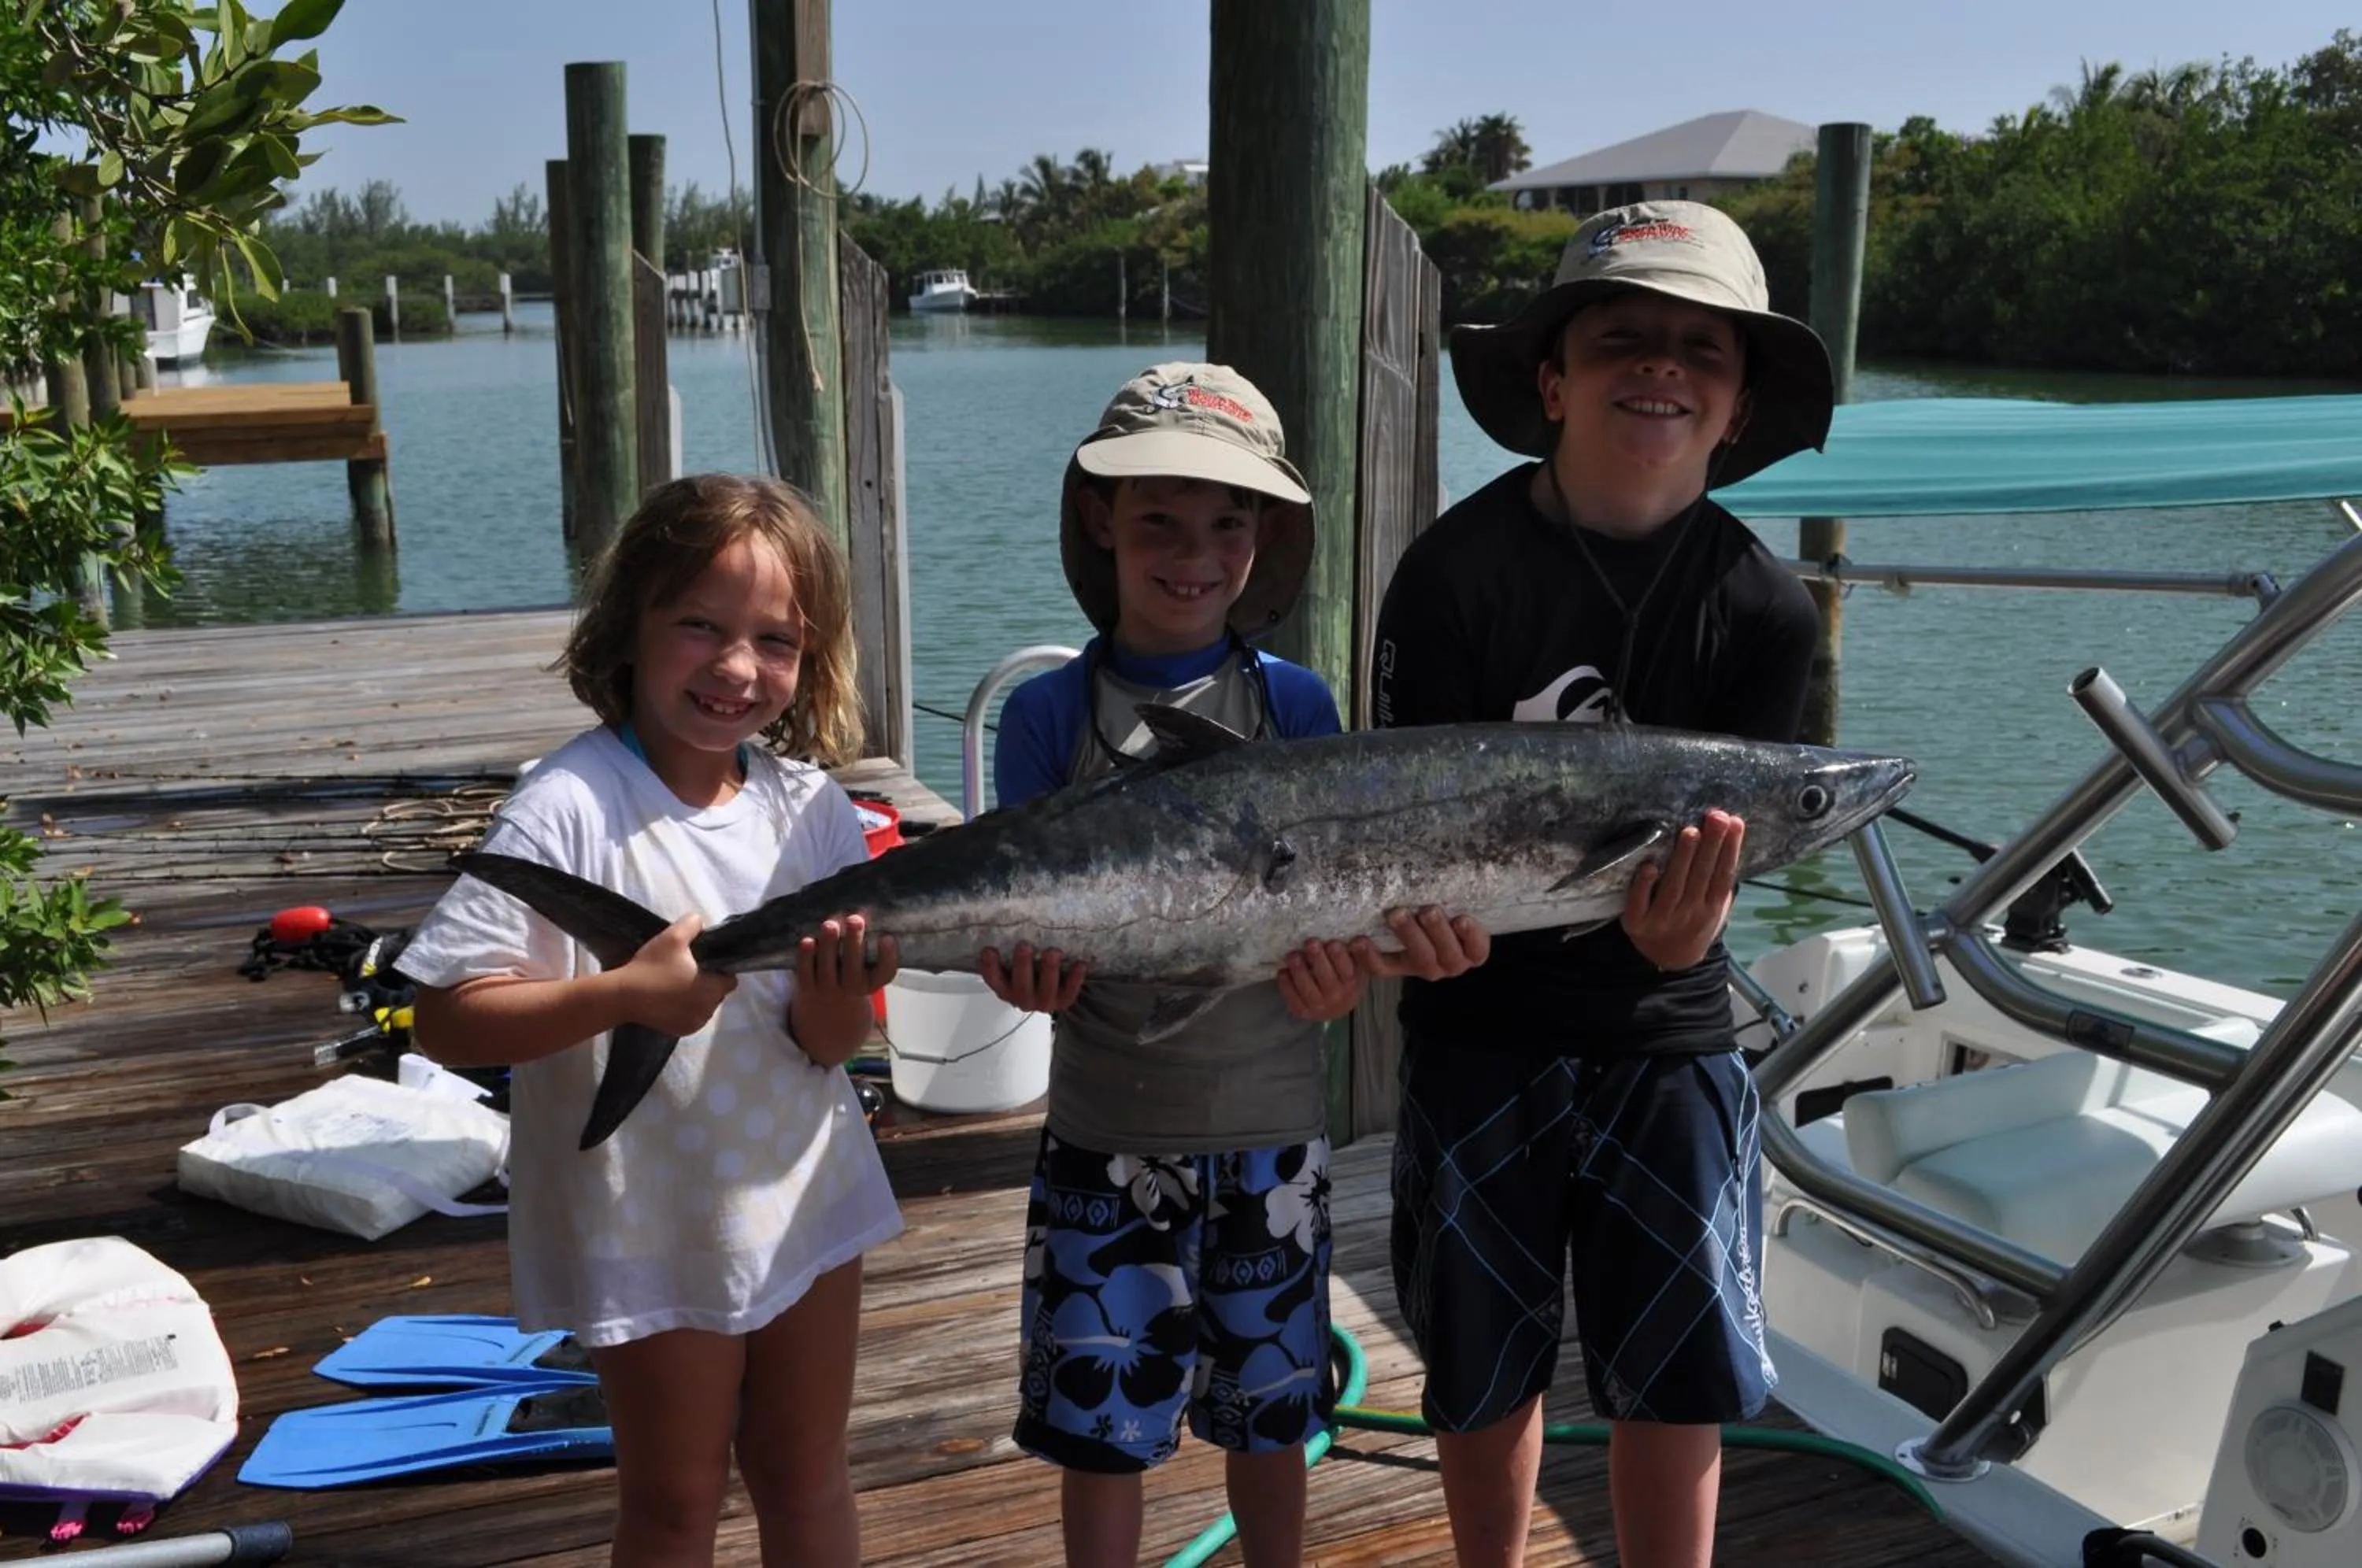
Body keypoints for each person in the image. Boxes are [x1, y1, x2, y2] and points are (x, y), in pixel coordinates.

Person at [1372, 201, 1836, 1568]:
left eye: (1704, 348)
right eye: (1624, 335)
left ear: (1742, 405)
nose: (1663, 367)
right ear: (1551, 378)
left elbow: (1753, 835)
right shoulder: (1451, 574)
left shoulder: (1765, 608)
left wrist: (1694, 930)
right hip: (1479, 1024)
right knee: (1479, 1357)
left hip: (1666, 1028)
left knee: (1674, 1374)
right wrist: (1407, 939)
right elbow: (1389, 820)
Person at [402, 474, 904, 1568]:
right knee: (675, 1502)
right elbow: (443, 1019)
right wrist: (626, 995)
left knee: (807, 1473)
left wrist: (836, 1003)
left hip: (808, 1194)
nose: (736, 668)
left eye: (775, 641)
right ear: (630, 622)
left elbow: (832, 1045)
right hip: (653, 1217)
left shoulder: (812, 811)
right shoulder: (567, 808)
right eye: (701, 627)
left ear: (808, 663)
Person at [978, 362, 1380, 1568]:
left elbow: (1335, 913)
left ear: (1267, 535)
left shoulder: (1299, 709)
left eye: (1228, 521)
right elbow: (1022, 920)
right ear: (1102, 519)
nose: (1193, 552)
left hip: (1272, 1130)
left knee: (1274, 1422)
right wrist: (1018, 975)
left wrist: (1344, 985)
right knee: (1098, 1432)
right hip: (1105, 1130)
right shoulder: (1050, 713)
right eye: (1159, 519)